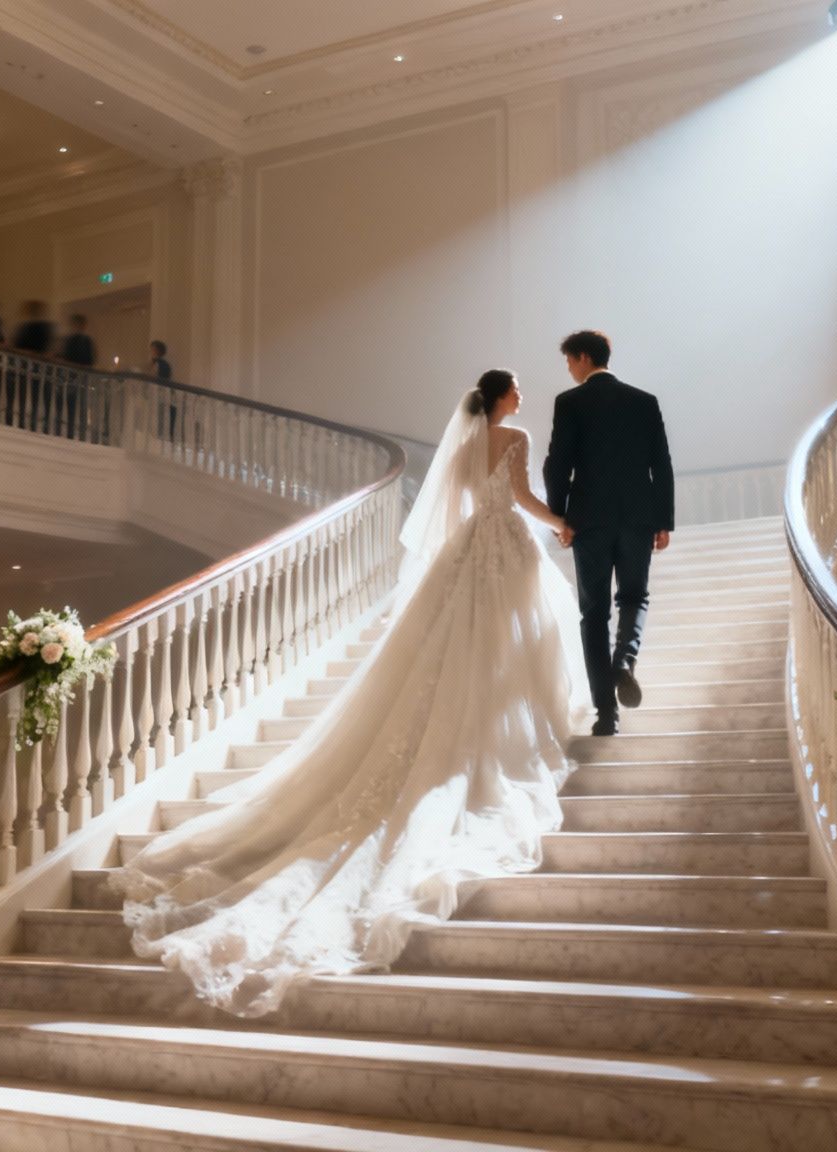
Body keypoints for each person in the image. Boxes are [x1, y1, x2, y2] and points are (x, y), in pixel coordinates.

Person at [114, 369, 587, 1017]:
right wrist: (561, 520)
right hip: (504, 542)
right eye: (518, 392)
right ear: (502, 398)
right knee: (511, 639)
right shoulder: (516, 435)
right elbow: (519, 496)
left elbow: (457, 503)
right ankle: (508, 729)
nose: (523, 399)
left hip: (468, 547)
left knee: (458, 647)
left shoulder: (462, 444)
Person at [543, 329, 675, 737]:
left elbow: (556, 465)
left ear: (583, 357)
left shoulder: (570, 403)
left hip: (590, 522)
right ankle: (625, 660)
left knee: (594, 614)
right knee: (635, 597)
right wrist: (663, 520)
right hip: (637, 518)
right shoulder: (644, 401)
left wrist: (560, 518)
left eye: (569, 360)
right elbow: (662, 464)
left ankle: (606, 715)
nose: (568, 369)